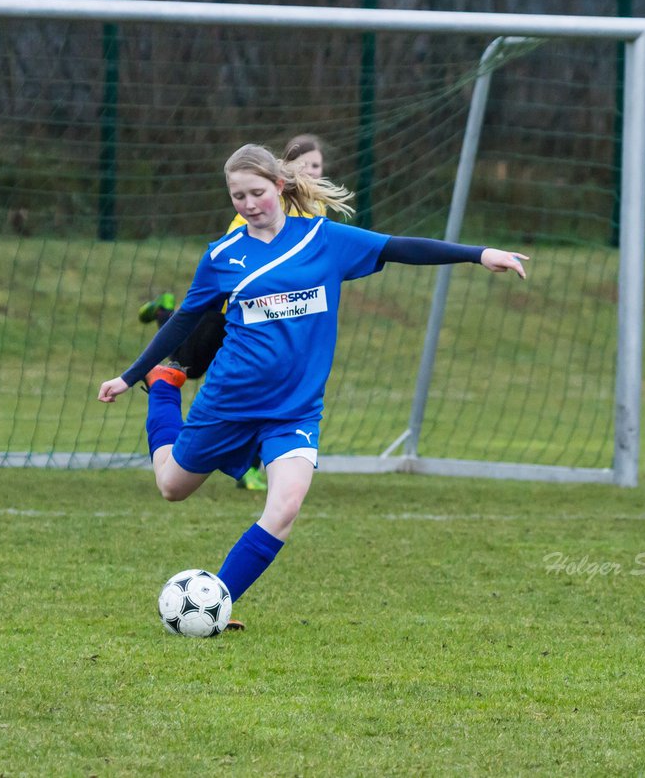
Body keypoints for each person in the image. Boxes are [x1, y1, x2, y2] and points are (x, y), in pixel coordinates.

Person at [99, 143, 527, 631]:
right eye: (237, 196)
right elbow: (182, 323)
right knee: (171, 486)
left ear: (279, 186)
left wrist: (479, 254)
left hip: (294, 410)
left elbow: (397, 247)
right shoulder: (222, 257)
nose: (248, 204)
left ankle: (217, 603)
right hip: (229, 401)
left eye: (256, 192)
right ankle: (163, 387)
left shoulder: (324, 240)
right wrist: (131, 376)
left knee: (284, 507)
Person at [135, 135, 329, 493]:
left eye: (317, 166)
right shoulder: (255, 215)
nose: (312, 171)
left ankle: (253, 467)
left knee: (272, 380)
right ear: (284, 171)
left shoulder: (316, 214)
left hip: (273, 320)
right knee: (187, 369)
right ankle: (164, 320)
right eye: (306, 165)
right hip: (227, 315)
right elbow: (229, 274)